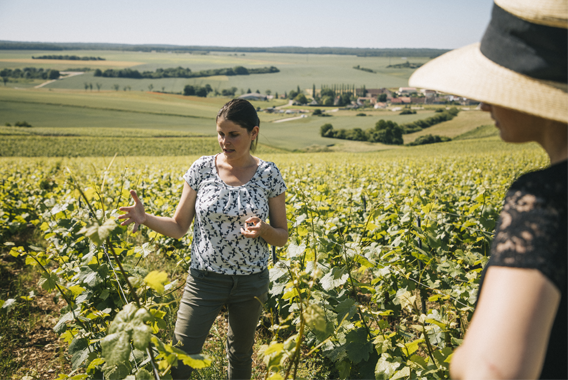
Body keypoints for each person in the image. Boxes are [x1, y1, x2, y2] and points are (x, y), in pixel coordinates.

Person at [409, 1, 568, 379]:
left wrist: (463, 359)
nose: (483, 103)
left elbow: (493, 370)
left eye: (498, 83)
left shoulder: (544, 199)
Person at [118, 98, 288, 380]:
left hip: (251, 281)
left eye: (234, 134)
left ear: (253, 133)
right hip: (204, 279)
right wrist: (145, 218)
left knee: (241, 355)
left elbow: (282, 236)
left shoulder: (269, 174)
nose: (225, 141)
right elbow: (178, 225)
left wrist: (264, 230)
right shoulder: (202, 169)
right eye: (221, 133)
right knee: (181, 355)